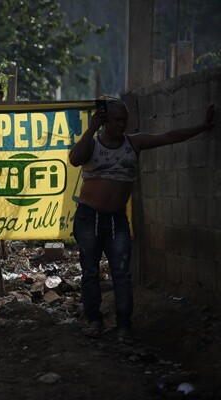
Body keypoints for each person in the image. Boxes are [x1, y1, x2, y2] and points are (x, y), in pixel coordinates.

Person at [69, 100, 215, 342]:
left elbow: (168, 137)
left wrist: (201, 127)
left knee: (122, 274)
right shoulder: (93, 144)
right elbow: (75, 159)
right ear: (105, 120)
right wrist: (91, 129)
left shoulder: (134, 143)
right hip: (89, 217)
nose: (121, 124)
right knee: (91, 272)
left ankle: (124, 326)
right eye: (116, 119)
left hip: (117, 219)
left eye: (124, 120)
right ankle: (94, 321)